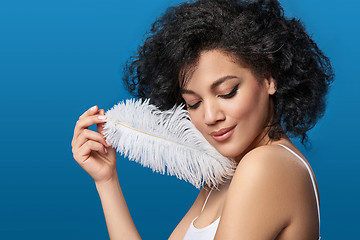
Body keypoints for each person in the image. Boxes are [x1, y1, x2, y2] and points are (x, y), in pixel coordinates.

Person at [71, 0, 333, 239]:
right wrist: (107, 181)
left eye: (226, 92)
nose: (210, 117)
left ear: (269, 78)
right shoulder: (223, 174)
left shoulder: (267, 165)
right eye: (193, 103)